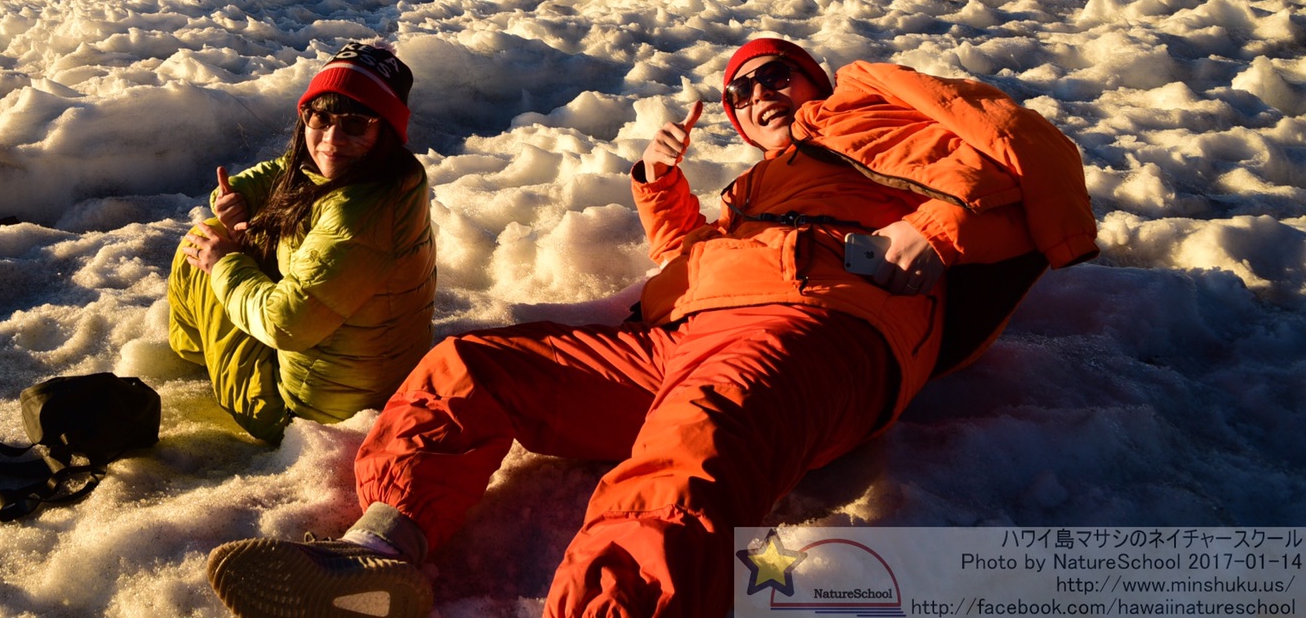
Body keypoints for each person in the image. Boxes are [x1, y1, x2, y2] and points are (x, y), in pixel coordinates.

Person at [205, 36, 1094, 618]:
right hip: (687, 335)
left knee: (688, 457)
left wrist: (929, 231)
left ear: (815, 79)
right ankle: (381, 554)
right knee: (471, 365)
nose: (755, 92)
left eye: (773, 73)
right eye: (740, 91)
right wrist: (660, 182)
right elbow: (691, 261)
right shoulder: (755, 190)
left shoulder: (874, 109)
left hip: (814, 328)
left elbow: (1034, 156)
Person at [168, 42, 436, 443]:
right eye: (320, 117)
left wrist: (223, 264)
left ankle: (196, 353)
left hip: (304, 415)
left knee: (204, 242)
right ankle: (211, 347)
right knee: (246, 234)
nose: (331, 139)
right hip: (360, 381)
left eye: (356, 123)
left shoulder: (358, 213)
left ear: (385, 129)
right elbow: (292, 171)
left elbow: (285, 324)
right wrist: (239, 196)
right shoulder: (393, 175)